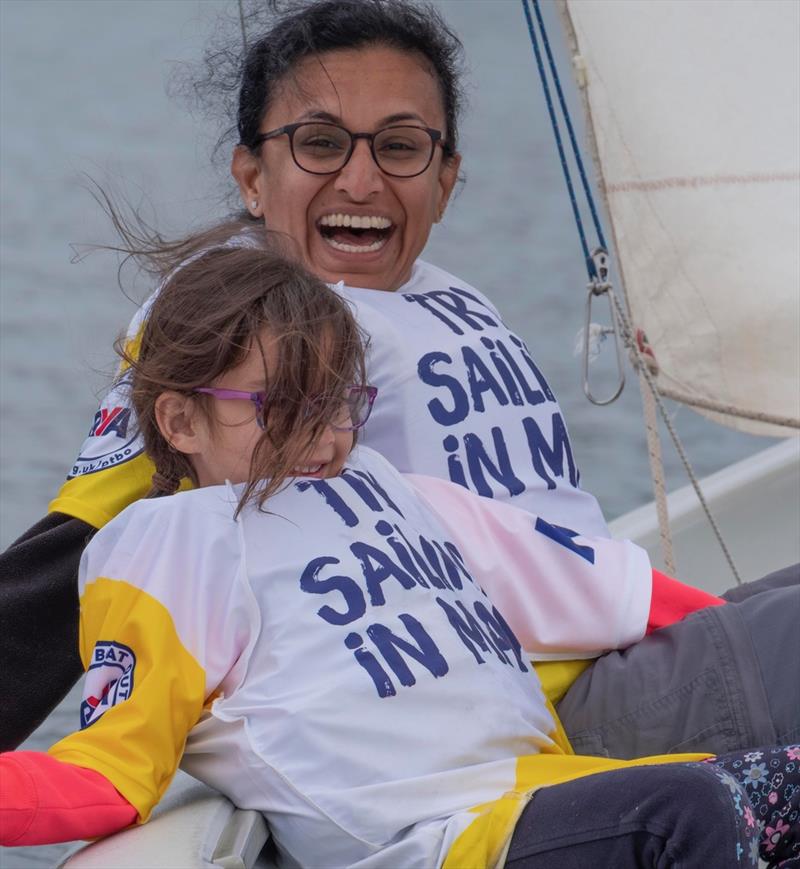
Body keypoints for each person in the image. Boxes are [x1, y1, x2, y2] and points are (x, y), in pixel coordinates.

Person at [1, 0, 797, 759]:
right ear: (250, 174)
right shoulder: (244, 317)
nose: (360, 179)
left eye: (401, 146)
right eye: (319, 143)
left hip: (626, 642)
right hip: (521, 714)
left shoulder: (446, 294)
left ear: (446, 178)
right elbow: (81, 545)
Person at [1, 244, 797, 868]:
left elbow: (605, 587)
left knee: (760, 786)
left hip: (551, 792)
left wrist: (752, 631)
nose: (324, 439)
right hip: (443, 838)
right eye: (284, 409)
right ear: (177, 420)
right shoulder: (164, 545)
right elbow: (114, 768)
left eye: (341, 403)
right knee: (698, 808)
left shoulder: (391, 484)